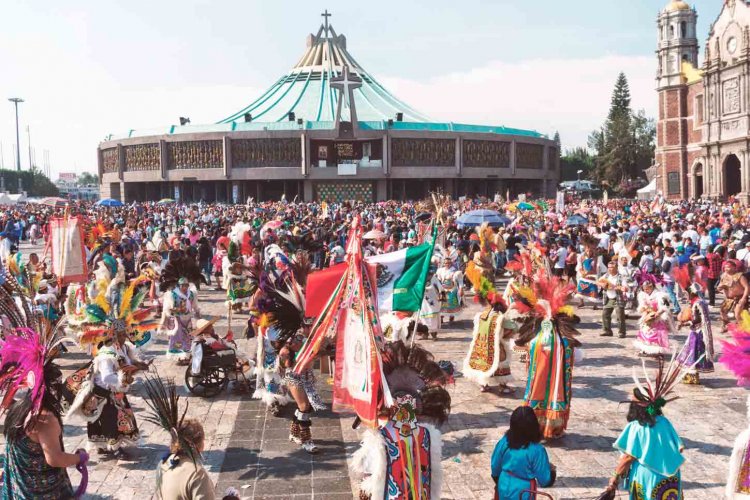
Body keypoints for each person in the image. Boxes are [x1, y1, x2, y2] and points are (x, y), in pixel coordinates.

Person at [0, 330, 89, 499]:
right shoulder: (44, 418)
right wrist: (80, 458)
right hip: (38, 493)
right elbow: (54, 459)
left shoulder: (18, 408)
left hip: (18, 489)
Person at [603, 359, 686, 500]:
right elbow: (679, 448)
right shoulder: (665, 422)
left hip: (647, 478)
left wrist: (614, 480)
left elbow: (629, 456)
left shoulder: (636, 427)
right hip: (671, 479)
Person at [491, 406, 555, 500]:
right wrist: (552, 471)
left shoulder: (504, 441)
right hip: (524, 492)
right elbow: (545, 480)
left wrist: (500, 481)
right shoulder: (537, 450)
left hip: (503, 485)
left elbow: (495, 467)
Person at [676, 283, 714, 385]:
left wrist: (684, 323)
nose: (686, 295)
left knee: (693, 353)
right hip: (698, 331)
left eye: (687, 293)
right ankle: (692, 375)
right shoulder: (699, 302)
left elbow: (697, 319)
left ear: (692, 293)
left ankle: (692, 375)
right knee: (695, 353)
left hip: (698, 332)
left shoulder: (698, 303)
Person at [634, 279, 673, 356]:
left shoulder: (660, 295)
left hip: (658, 317)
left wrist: (657, 314)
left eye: (647, 289)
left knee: (657, 334)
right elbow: (642, 306)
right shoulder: (642, 295)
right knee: (645, 332)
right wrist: (643, 309)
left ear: (651, 286)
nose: (646, 291)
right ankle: (645, 349)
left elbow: (665, 307)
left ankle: (659, 351)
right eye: (644, 289)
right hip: (648, 317)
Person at [719, 259, 750, 332]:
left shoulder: (740, 276)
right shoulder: (723, 275)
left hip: (740, 298)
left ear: (734, 268)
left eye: (728, 267)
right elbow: (720, 285)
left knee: (737, 314)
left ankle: (743, 329)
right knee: (722, 311)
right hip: (729, 298)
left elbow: (747, 287)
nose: (726, 269)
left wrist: (744, 298)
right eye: (725, 267)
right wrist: (719, 288)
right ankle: (725, 324)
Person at [600, 260, 627, 338]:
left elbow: (625, 288)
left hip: (618, 298)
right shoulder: (606, 276)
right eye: (609, 267)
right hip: (608, 298)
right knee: (605, 314)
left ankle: (622, 332)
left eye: (612, 267)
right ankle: (607, 331)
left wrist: (622, 288)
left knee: (620, 316)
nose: (610, 269)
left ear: (616, 268)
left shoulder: (621, 277)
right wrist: (603, 285)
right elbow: (598, 282)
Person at [436, 257, 463, 323]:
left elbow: (460, 281)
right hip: (443, 290)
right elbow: (438, 280)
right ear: (444, 263)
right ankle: (441, 318)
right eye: (445, 263)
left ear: (451, 263)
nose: (447, 264)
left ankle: (451, 317)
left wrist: (461, 289)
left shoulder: (455, 271)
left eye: (448, 263)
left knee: (452, 304)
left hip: (452, 290)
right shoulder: (441, 270)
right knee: (442, 305)